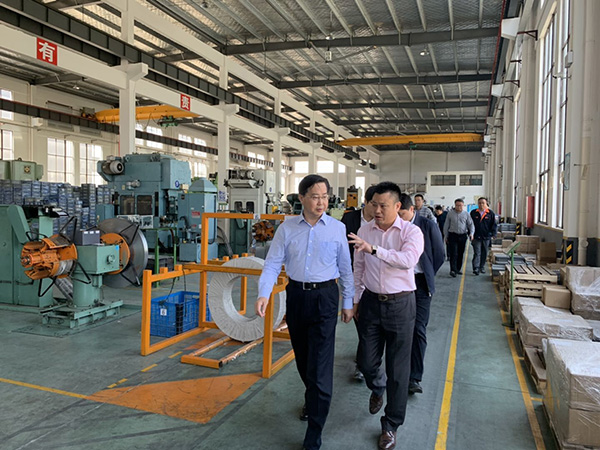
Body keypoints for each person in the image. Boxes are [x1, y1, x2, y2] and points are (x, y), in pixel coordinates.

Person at [255, 174, 354, 450]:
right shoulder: (287, 229)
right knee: (303, 359)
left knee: (320, 366)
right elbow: (272, 264)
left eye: (325, 197)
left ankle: (314, 433)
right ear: (301, 198)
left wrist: (348, 302)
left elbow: (346, 269)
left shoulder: (337, 228)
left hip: (326, 297)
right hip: (297, 296)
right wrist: (263, 293)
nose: (321, 202)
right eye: (315, 197)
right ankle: (313, 399)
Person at [348, 182, 424, 450]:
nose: (377, 210)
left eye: (383, 206)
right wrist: (355, 301)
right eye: (373, 205)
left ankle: (390, 425)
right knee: (366, 362)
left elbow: (408, 260)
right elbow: (358, 267)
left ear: (397, 206)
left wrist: (374, 250)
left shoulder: (411, 232)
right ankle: (377, 386)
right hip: (370, 303)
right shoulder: (364, 230)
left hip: (401, 304)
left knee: (398, 370)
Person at [398, 194, 445, 396]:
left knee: (418, 328)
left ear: (411, 210)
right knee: (399, 328)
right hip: (399, 283)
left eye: (402, 214)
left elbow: (439, 254)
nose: (399, 218)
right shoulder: (394, 227)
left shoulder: (427, 225)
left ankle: (414, 377)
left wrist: (427, 274)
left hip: (420, 283)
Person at [341, 185, 377, 382]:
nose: (378, 209)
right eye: (374, 204)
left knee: (368, 324)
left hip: (375, 279)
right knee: (360, 321)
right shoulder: (350, 219)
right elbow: (341, 246)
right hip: (353, 276)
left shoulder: (383, 222)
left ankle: (365, 362)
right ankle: (364, 361)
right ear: (366, 202)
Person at [443, 198, 474, 278]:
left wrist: (471, 233)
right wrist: (446, 236)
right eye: (457, 205)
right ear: (455, 205)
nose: (459, 207)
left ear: (463, 205)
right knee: (453, 253)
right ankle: (453, 270)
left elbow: (471, 224)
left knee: (460, 253)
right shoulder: (450, 214)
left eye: (460, 205)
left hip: (462, 236)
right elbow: (446, 225)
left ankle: (457, 269)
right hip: (453, 235)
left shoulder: (466, 214)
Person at [470, 197, 497, 275]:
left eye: (483, 203)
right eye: (479, 203)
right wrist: (470, 233)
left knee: (484, 252)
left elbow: (494, 224)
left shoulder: (490, 213)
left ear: (486, 204)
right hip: (476, 236)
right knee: (477, 252)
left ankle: (481, 267)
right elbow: (470, 224)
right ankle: (476, 268)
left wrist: (494, 233)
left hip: (486, 236)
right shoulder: (473, 213)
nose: (481, 204)